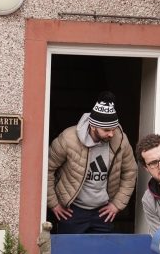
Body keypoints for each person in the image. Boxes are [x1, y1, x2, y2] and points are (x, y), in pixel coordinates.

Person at [46, 91, 137, 234]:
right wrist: (54, 204)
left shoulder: (120, 140)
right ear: (93, 126)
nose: (111, 134)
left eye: (113, 129)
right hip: (72, 210)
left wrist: (116, 205)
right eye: (106, 130)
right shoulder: (68, 139)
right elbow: (47, 169)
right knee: (69, 253)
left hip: (103, 211)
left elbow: (130, 172)